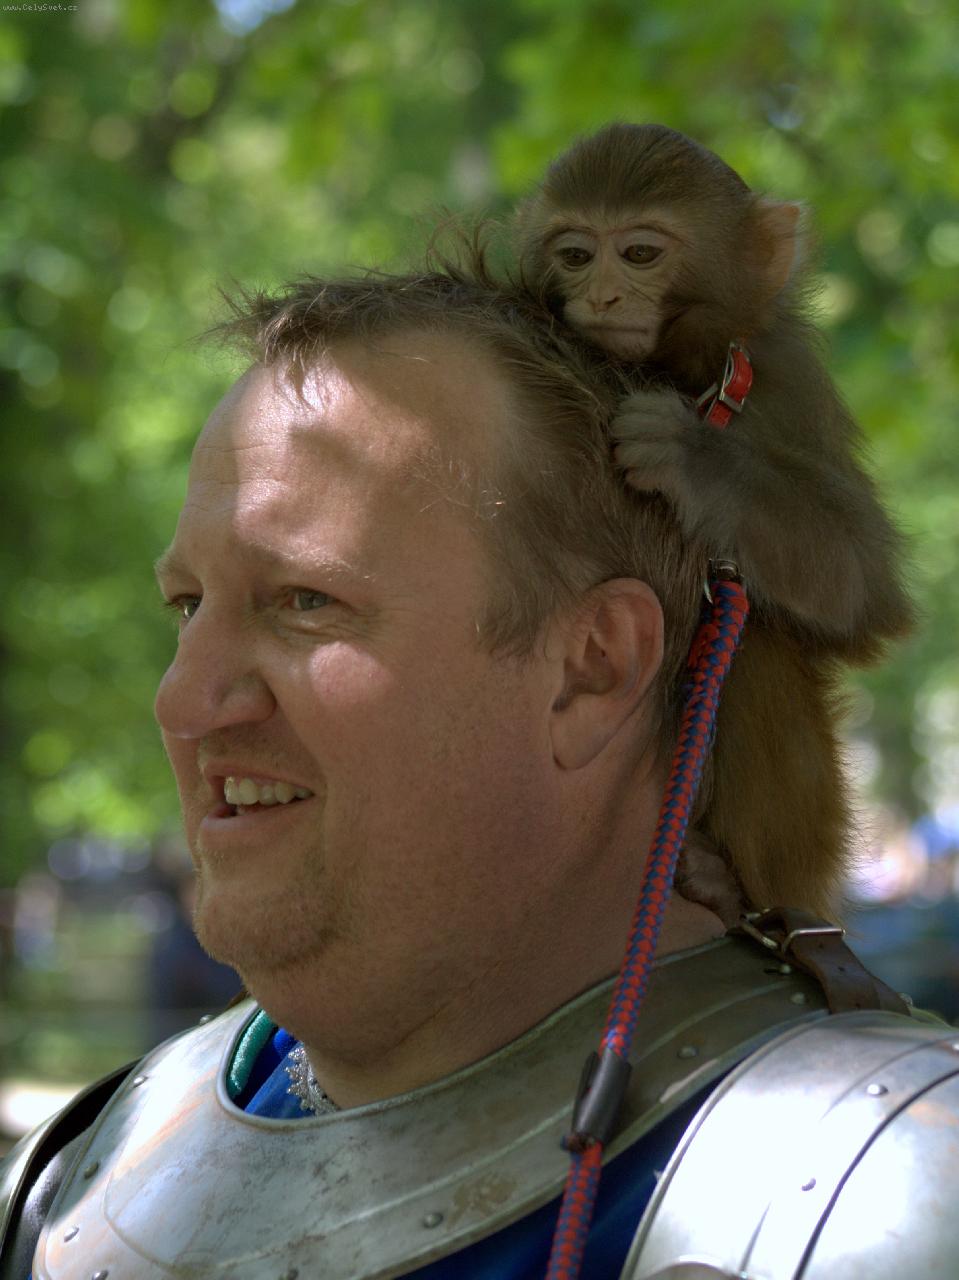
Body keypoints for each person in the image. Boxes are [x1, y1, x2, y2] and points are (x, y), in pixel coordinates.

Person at [1, 265, 956, 1280]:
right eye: (188, 605)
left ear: (591, 669)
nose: (185, 702)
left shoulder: (869, 1194)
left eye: (305, 601)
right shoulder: (87, 1179)